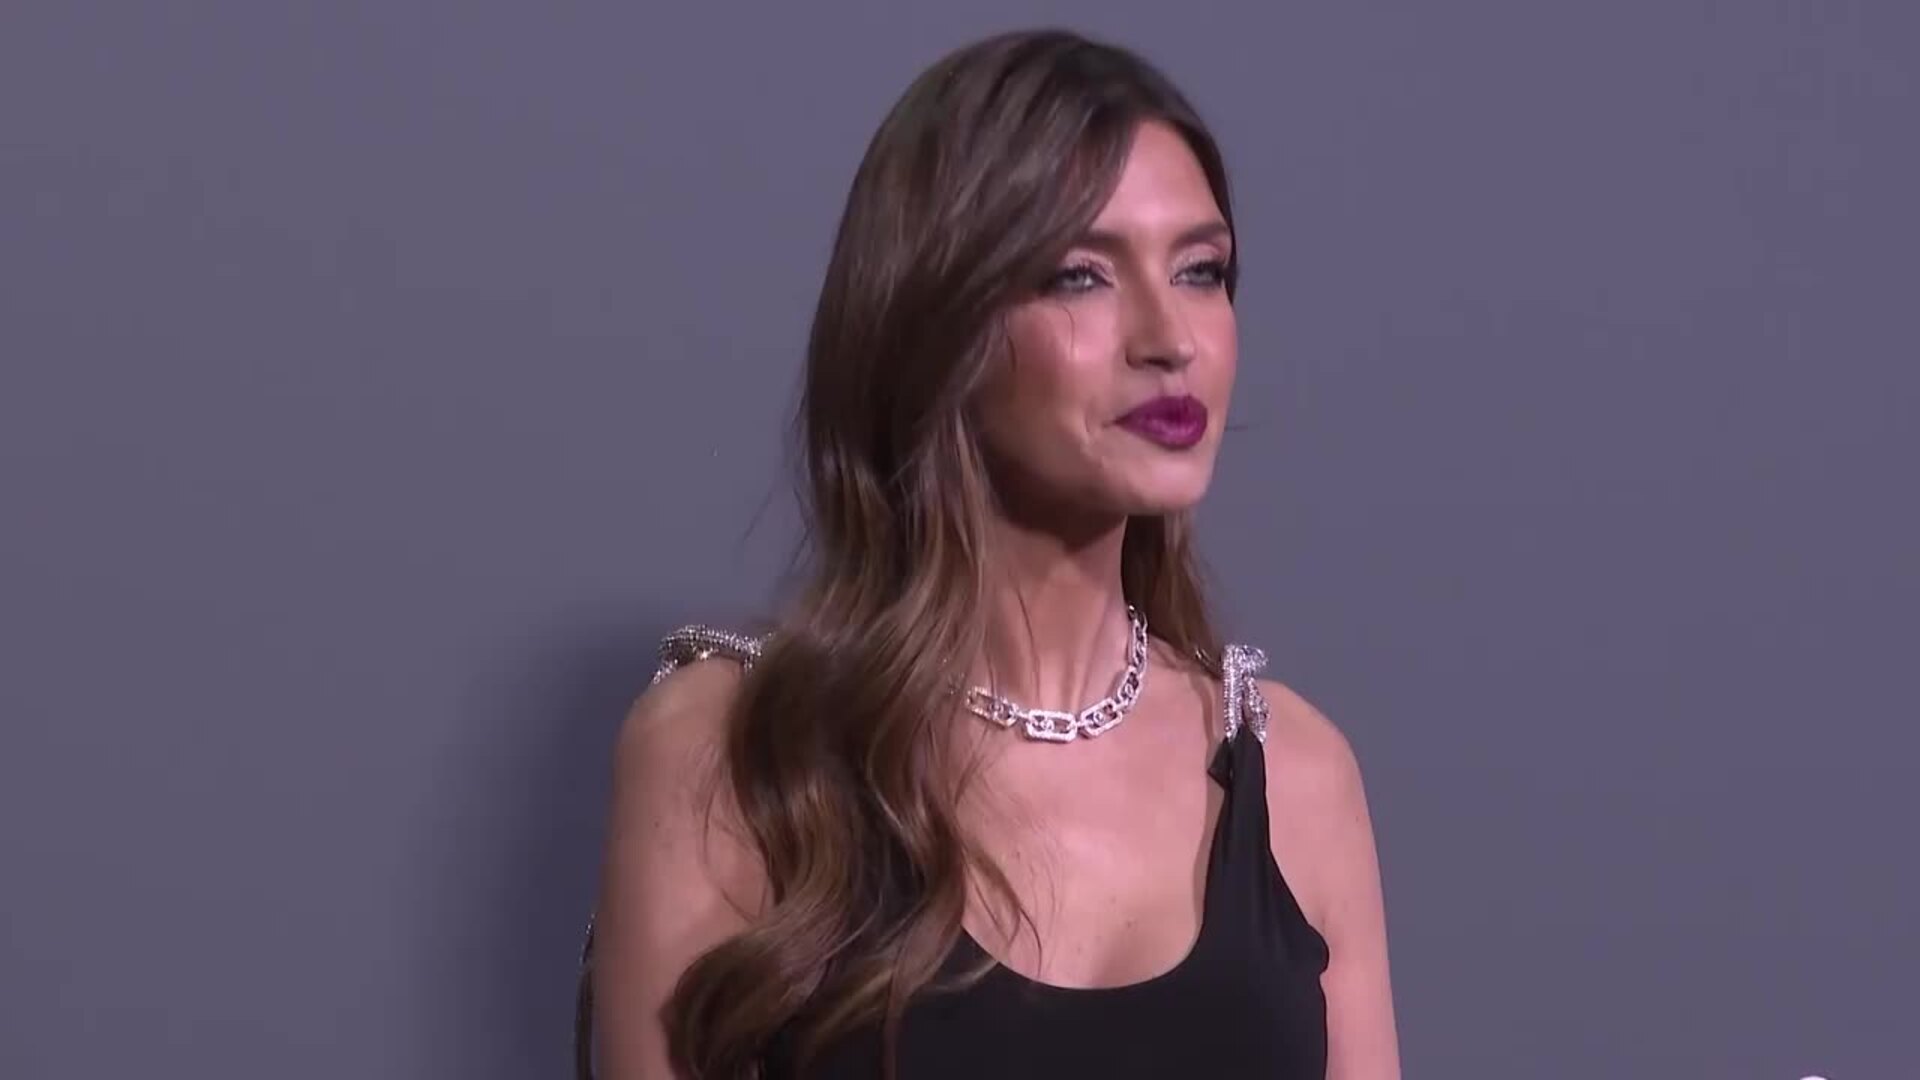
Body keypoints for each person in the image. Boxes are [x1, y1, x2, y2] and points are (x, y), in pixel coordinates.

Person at [581, 27, 1401, 1080]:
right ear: (936, 324)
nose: (1170, 338)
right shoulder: (732, 755)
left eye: (1202, 270)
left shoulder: (1299, 778)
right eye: (1079, 276)